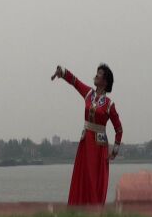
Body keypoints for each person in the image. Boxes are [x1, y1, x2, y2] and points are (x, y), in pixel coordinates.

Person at [51, 64, 123, 205]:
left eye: (100, 73)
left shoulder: (109, 105)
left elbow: (119, 129)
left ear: (105, 81)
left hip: (99, 148)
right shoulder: (88, 94)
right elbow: (75, 82)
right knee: (83, 178)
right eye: (97, 72)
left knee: (93, 180)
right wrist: (63, 72)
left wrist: (114, 151)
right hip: (85, 144)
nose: (96, 75)